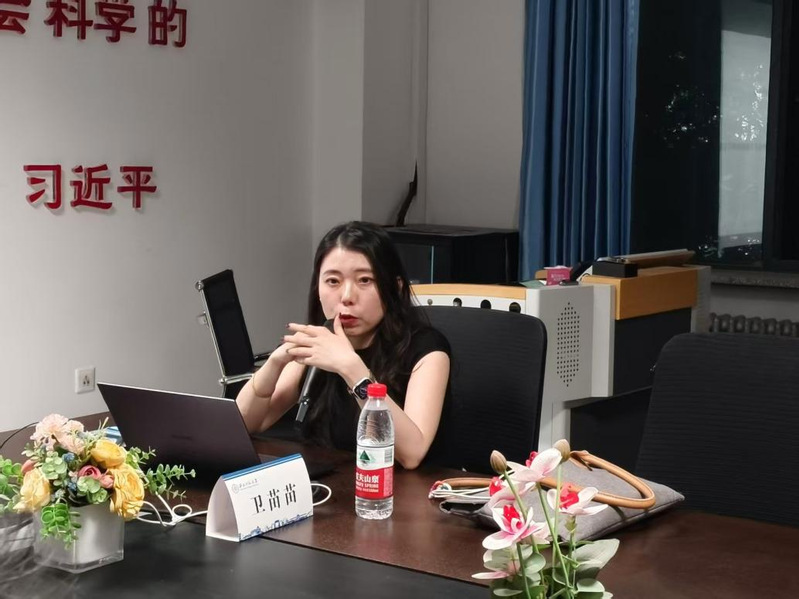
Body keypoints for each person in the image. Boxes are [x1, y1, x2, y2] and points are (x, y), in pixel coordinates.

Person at [236, 221, 451, 470]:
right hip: (334, 486)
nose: (347, 296)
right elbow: (244, 425)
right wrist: (274, 364)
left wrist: (351, 368)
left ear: (395, 287)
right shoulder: (318, 344)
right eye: (333, 281)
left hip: (399, 490)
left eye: (365, 280)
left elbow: (412, 454)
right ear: (317, 288)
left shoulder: (427, 350)